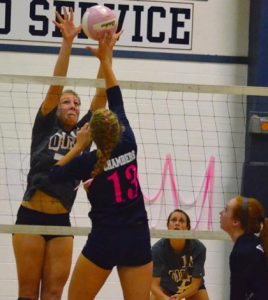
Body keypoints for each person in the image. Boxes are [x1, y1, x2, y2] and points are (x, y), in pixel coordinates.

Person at [12, 7, 118, 300]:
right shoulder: (46, 123)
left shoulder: (85, 131)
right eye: (67, 102)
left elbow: (101, 93)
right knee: (28, 292)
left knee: (55, 293)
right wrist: (67, 42)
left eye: (76, 103)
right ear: (57, 106)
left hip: (61, 220)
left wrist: (106, 53)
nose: (72, 106)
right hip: (31, 215)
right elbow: (57, 85)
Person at [49, 31, 152, 300]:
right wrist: (106, 58)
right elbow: (113, 94)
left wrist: (79, 146)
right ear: (117, 127)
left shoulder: (87, 161)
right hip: (137, 236)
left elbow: (53, 174)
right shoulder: (128, 140)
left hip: (106, 238)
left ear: (91, 133)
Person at [151, 209, 209, 300]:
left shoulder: (199, 249)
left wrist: (180, 297)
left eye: (181, 221)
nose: (177, 223)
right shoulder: (157, 250)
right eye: (173, 220)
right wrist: (165, 298)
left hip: (191, 289)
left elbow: (195, 285)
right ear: (168, 226)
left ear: (187, 227)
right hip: (166, 289)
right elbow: (153, 285)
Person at [220, 195, 268, 300]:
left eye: (226, 210)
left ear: (236, 222)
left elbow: (237, 296)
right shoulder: (252, 243)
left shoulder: (242, 252)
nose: (220, 212)